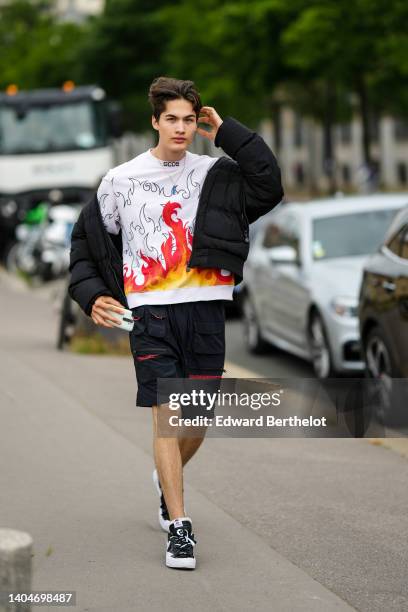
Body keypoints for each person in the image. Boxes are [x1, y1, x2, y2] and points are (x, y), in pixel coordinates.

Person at [68, 76, 284, 570]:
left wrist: (228, 132)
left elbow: (269, 184)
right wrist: (93, 295)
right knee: (168, 413)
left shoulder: (217, 174)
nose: (181, 128)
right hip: (150, 311)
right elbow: (87, 244)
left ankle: (166, 480)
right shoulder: (121, 180)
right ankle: (180, 526)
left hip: (206, 305)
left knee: (199, 416)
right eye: (173, 119)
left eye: (190, 119)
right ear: (155, 121)